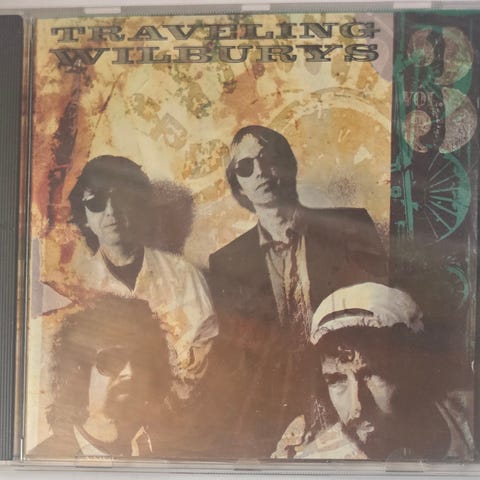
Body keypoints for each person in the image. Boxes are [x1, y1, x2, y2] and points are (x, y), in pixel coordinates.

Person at [206, 125, 387, 456]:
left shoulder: (351, 227)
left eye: (268, 158)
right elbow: (239, 361)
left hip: (354, 391)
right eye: (245, 167)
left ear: (287, 164)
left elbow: (382, 321)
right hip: (277, 411)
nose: (260, 171)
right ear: (238, 184)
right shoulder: (226, 263)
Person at [68, 155, 218, 403]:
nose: (111, 212)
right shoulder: (75, 285)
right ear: (84, 215)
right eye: (96, 202)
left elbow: (202, 350)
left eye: (123, 199)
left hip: (176, 408)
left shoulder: (183, 275)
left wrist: (166, 406)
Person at [273, 283, 475, 460]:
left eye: (371, 375)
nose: (357, 407)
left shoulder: (470, 422)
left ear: (411, 369)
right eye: (336, 381)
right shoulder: (319, 465)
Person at [28, 296, 172, 458]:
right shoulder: (43, 461)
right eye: (113, 360)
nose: (130, 373)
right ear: (77, 372)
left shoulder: (165, 458)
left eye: (141, 363)